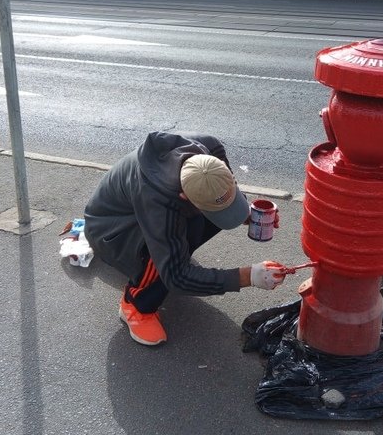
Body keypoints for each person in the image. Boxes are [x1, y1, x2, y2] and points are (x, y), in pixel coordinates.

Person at [84, 131, 286, 347]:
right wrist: (249, 277)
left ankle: (176, 254)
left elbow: (222, 188)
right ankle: (136, 303)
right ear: (184, 197)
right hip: (111, 232)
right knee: (169, 258)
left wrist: (244, 212)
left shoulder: (211, 150)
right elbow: (177, 277)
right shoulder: (159, 202)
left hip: (149, 212)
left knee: (194, 225)